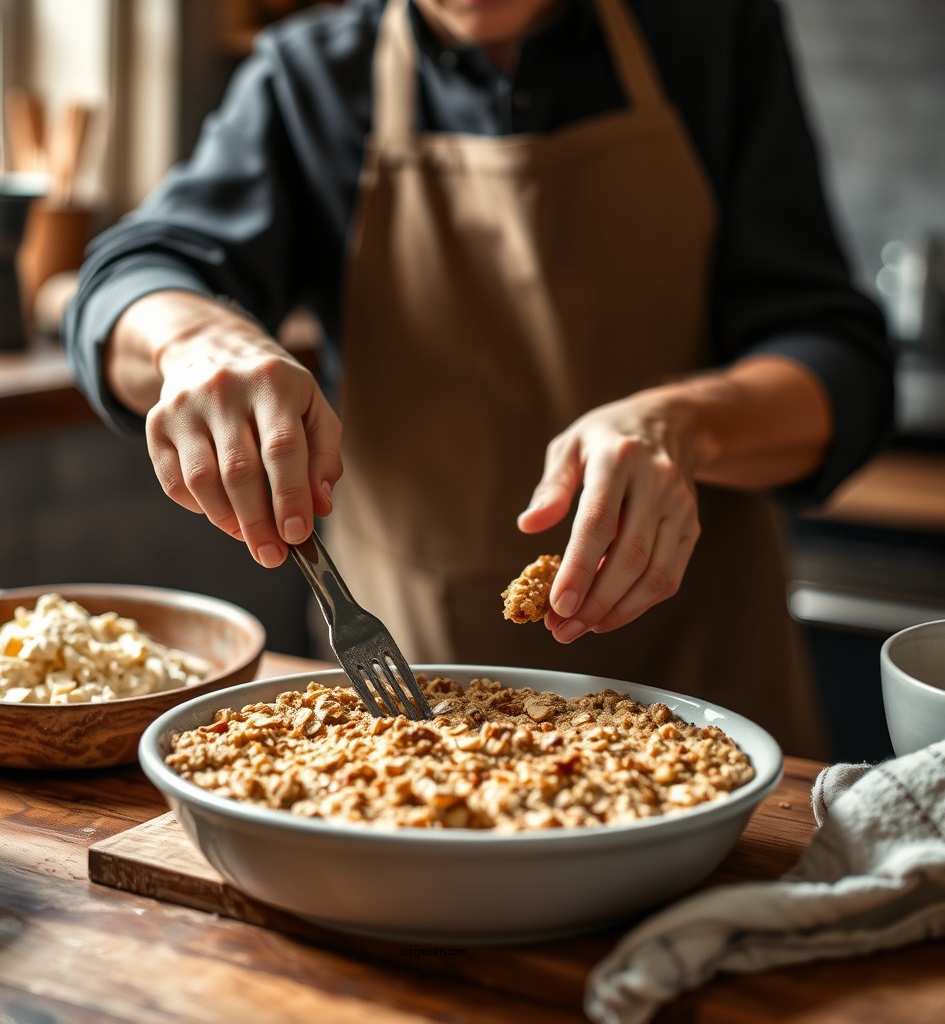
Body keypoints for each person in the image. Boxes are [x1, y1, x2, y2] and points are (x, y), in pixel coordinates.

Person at [64, 0, 894, 758]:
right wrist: (198, 339)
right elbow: (134, 274)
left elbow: (840, 359)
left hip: (709, 691)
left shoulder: (710, 35)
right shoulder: (309, 77)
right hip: (409, 715)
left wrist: (684, 423)